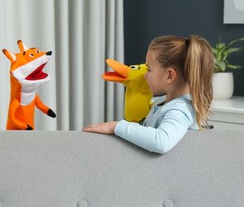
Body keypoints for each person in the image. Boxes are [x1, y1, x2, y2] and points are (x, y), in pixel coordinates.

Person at [83, 35, 214, 154]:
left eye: (149, 69)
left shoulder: (179, 109)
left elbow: (161, 142)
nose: (145, 75)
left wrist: (116, 126)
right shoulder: (164, 102)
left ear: (169, 76)